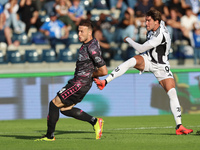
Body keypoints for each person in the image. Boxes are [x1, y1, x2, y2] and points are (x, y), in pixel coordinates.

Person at [93, 9, 193, 135]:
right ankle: (105, 81)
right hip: (148, 59)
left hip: (161, 66)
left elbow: (140, 48)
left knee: (172, 93)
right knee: (131, 61)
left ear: (156, 22)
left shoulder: (160, 34)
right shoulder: (157, 25)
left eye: (148, 21)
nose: (146, 23)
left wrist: (128, 39)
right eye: (145, 20)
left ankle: (179, 126)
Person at [35, 20, 108, 141]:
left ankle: (49, 136)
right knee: (65, 109)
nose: (78, 34)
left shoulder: (92, 48)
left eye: (81, 31)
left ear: (89, 32)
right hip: (79, 82)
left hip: (80, 83)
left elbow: (104, 71)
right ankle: (95, 121)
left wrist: (90, 75)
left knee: (54, 104)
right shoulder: (88, 43)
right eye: (78, 31)